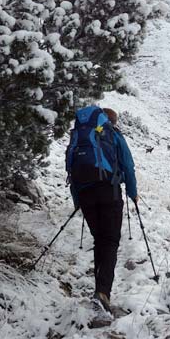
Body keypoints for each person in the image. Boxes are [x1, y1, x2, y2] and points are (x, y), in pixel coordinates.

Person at [68, 107, 138, 315]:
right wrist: (133, 193)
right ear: (112, 122)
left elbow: (72, 169)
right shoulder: (113, 135)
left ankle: (100, 288)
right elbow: (128, 165)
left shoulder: (80, 137)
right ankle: (103, 291)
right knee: (110, 240)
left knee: (100, 239)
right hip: (110, 192)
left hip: (85, 194)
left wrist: (77, 201)